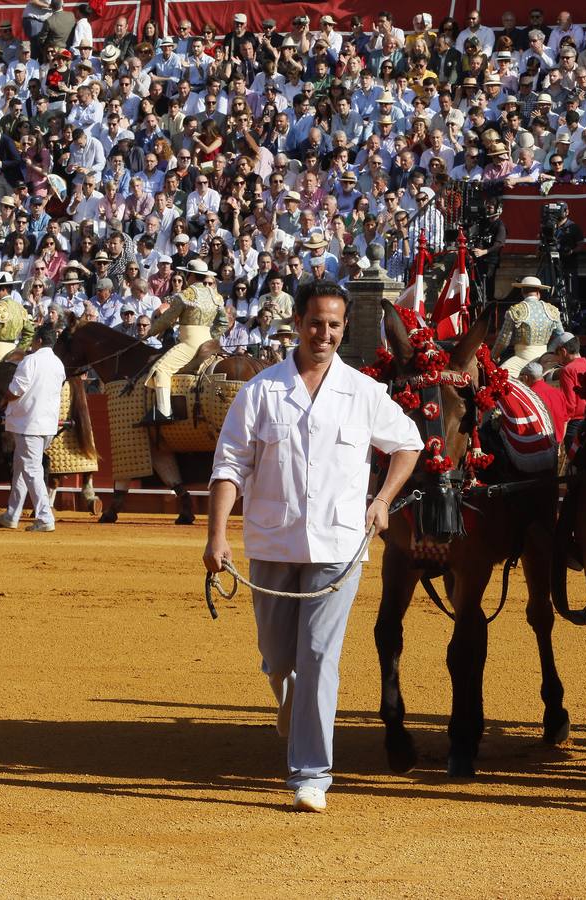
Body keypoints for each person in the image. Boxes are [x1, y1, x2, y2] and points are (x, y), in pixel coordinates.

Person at [205, 280, 423, 814]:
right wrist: (215, 536)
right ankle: (289, 696)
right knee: (279, 658)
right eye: (316, 323)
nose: (324, 333)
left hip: (338, 544)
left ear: (344, 328)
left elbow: (409, 444)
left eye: (334, 325)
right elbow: (229, 466)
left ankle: (311, 773)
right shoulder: (260, 390)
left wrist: (382, 501)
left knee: (321, 656)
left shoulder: (366, 392)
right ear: (298, 322)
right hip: (272, 541)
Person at [0, 324, 65, 532]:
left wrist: (4, 397)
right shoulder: (58, 364)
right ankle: (12, 514)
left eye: (34, 338)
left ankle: (44, 518)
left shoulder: (30, 360)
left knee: (31, 469)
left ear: (40, 340)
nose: (32, 341)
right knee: (21, 468)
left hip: (29, 424)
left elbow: (17, 390)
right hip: (47, 425)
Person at [141, 260, 226, 424]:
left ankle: (164, 412)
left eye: (187, 274)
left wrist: (149, 333)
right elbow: (223, 322)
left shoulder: (185, 295)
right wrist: (211, 336)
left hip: (189, 343)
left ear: (191, 275)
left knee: (161, 369)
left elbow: (167, 319)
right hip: (208, 341)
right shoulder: (216, 297)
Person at [493, 275, 562, 376]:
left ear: (522, 292)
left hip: (521, 359)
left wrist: (494, 355)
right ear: (538, 292)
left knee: (499, 377)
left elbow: (504, 340)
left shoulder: (516, 310)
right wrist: (552, 355)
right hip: (546, 360)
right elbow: (561, 336)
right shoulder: (552, 310)